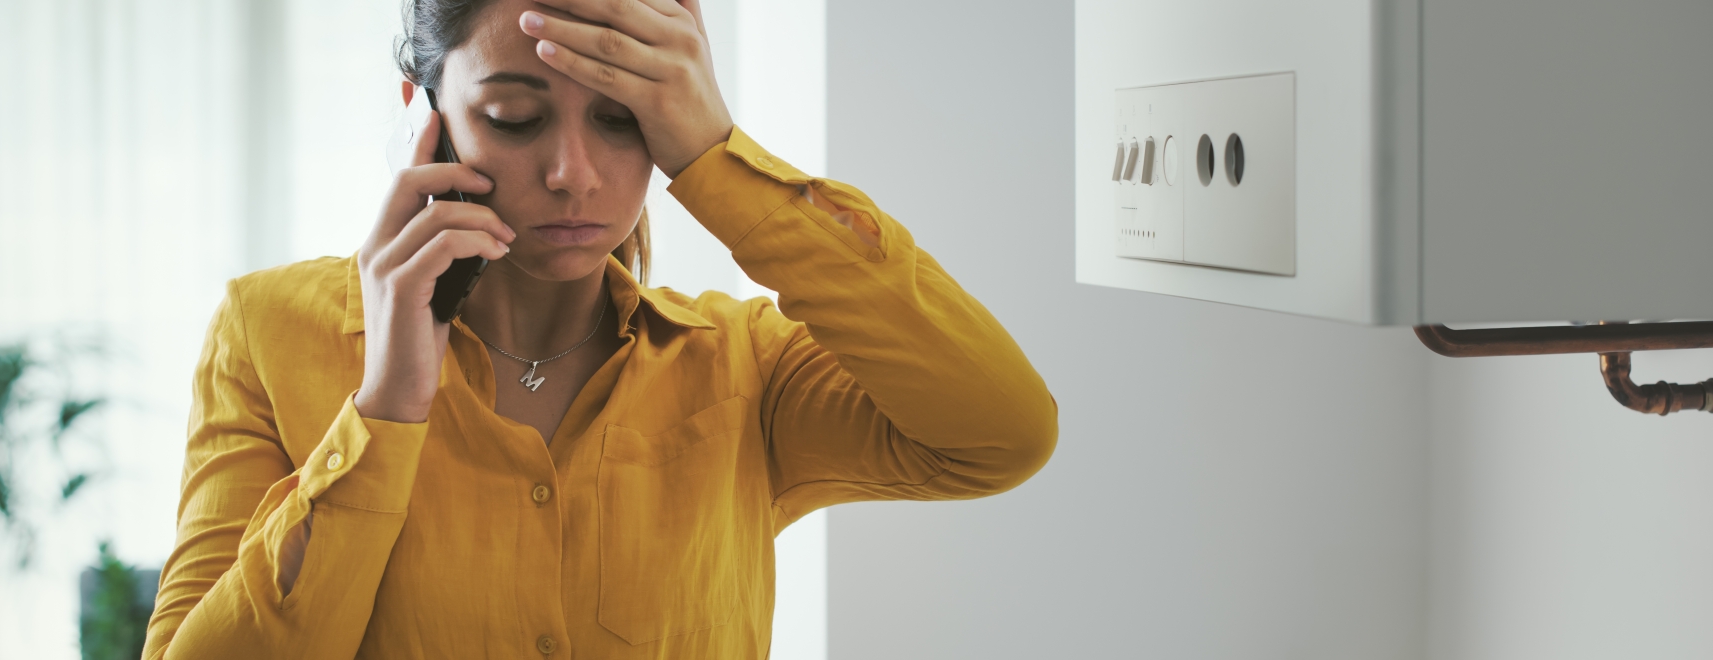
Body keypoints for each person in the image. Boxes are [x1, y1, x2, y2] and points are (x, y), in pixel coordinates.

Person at [142, 0, 1056, 657]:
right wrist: (383, 415)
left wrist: (716, 159)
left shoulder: (745, 368)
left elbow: (1002, 435)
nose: (573, 173)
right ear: (425, 115)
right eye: (513, 117)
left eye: (622, 119)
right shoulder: (266, 333)